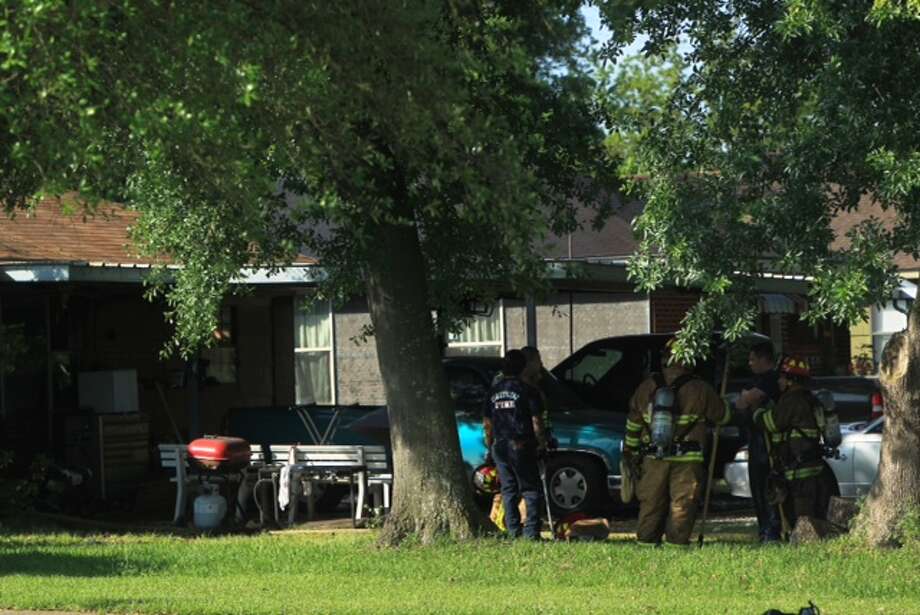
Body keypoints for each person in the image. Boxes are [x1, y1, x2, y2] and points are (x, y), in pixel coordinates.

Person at [623, 339, 732, 546]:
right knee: (682, 504)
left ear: (665, 359)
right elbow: (723, 417)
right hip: (687, 460)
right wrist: (724, 401)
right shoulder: (700, 388)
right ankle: (676, 547)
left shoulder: (647, 387)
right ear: (689, 360)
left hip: (653, 457)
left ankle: (646, 546)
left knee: (651, 504)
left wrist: (630, 451)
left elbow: (633, 424)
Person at [752, 355, 833, 532]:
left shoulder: (792, 400)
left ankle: (804, 547)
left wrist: (756, 411)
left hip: (798, 471)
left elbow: (770, 423)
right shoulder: (810, 399)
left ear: (790, 380)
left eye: (781, 377)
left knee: (801, 516)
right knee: (814, 511)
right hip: (812, 467)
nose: (779, 381)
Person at [483, 349, 547, 539]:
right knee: (530, 489)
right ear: (523, 367)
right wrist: (541, 443)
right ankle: (531, 533)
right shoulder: (527, 391)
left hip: (500, 446)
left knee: (508, 490)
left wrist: (490, 446)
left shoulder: (493, 392)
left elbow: (487, 424)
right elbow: (537, 421)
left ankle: (513, 531)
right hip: (521, 444)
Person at [733, 341, 783, 542]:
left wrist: (747, 397)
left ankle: (774, 529)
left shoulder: (772, 379)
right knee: (757, 489)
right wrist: (746, 398)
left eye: (753, 359)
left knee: (770, 486)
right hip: (755, 441)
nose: (750, 363)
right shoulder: (754, 380)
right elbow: (740, 403)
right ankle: (763, 528)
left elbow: (750, 398)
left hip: (769, 442)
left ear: (764, 359)